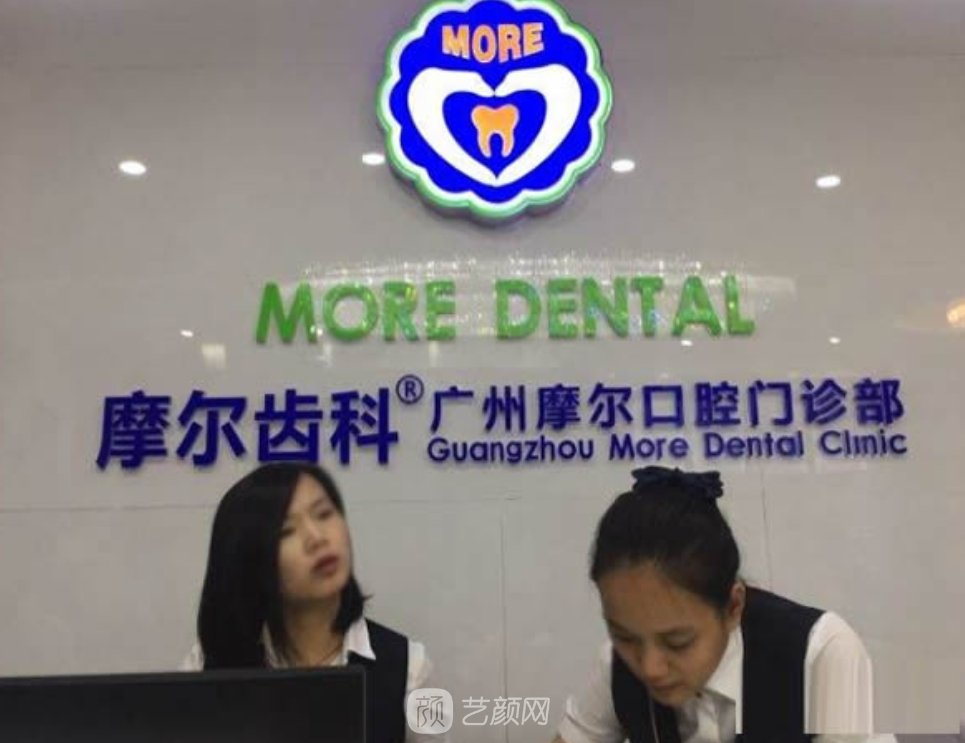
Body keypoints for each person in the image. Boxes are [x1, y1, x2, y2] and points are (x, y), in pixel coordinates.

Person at [552, 466, 897, 743]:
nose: (650, 667)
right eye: (625, 637)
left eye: (678, 642)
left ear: (733, 606)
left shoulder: (819, 654)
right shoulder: (616, 665)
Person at [181, 463, 448, 743]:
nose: (317, 538)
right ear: (251, 560)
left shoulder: (412, 666)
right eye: (286, 531)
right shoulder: (205, 666)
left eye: (324, 514)